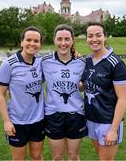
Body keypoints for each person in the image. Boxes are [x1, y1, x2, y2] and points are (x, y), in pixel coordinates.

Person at [0, 26, 45, 160]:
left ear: (40, 44)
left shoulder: (41, 62)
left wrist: (75, 53)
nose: (32, 44)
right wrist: (6, 121)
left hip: (39, 119)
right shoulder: (9, 64)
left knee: (37, 156)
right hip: (17, 122)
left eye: (36, 41)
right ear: (22, 42)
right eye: (28, 40)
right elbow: (0, 94)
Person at [82, 22, 126, 160]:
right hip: (91, 119)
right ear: (86, 39)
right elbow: (84, 85)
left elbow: (123, 98)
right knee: (101, 157)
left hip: (108, 122)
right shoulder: (87, 60)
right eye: (90, 36)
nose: (94, 39)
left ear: (105, 37)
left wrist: (113, 130)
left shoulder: (116, 63)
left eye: (98, 35)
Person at [41, 24, 86, 160]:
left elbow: (84, 86)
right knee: (57, 156)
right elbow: (29, 76)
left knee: (73, 156)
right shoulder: (44, 62)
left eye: (67, 39)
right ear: (54, 40)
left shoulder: (82, 62)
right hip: (54, 114)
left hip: (76, 114)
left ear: (72, 41)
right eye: (59, 39)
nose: (63, 43)